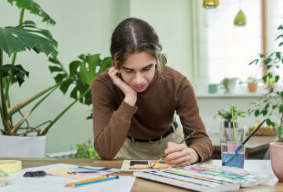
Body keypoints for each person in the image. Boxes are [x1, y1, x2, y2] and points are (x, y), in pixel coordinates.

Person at [91, 18, 213, 166]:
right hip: (126, 149)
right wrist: (129, 99)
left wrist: (193, 154)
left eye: (146, 68)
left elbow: (201, 139)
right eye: (128, 70)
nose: (138, 80)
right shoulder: (103, 85)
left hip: (170, 147)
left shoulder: (178, 83)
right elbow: (105, 151)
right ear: (116, 65)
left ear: (157, 59)